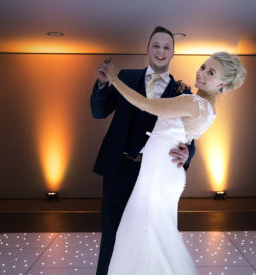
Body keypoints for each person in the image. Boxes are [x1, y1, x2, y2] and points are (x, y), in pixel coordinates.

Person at [102, 51, 246, 274]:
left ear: (222, 83)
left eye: (211, 72)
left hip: (158, 174)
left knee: (147, 233)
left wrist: (113, 79)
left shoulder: (193, 102)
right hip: (163, 171)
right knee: (152, 234)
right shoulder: (208, 108)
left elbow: (145, 104)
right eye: (203, 66)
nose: (202, 73)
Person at [90, 26, 196, 275]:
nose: (161, 51)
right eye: (156, 45)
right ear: (147, 49)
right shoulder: (124, 77)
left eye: (167, 47)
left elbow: (190, 137)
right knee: (112, 236)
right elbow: (99, 112)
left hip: (154, 176)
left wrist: (188, 153)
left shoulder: (184, 93)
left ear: (173, 53)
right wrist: (103, 84)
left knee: (149, 237)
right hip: (119, 170)